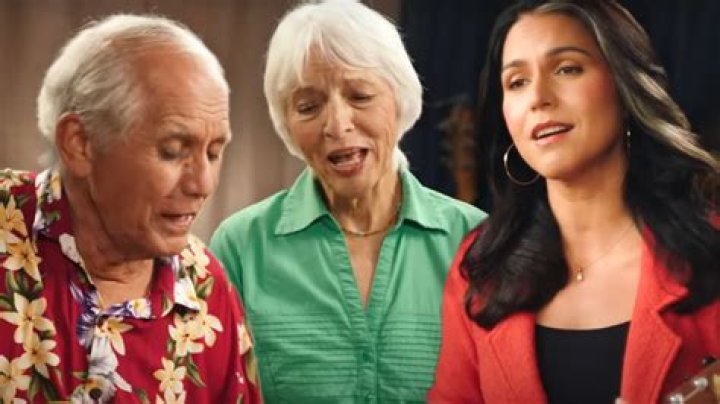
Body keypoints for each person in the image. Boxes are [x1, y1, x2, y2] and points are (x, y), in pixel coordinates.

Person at [428, 0, 719, 403]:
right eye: (516, 82)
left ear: (624, 85)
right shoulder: (481, 268)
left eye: (567, 69)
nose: (538, 98)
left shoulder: (709, 249)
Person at [208, 0, 486, 401]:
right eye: (308, 107)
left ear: (399, 99)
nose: (337, 125)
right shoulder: (240, 246)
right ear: (286, 123)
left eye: (360, 96)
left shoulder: (476, 240)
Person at [0, 14, 261, 403]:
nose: (203, 184)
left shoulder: (208, 289)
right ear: (79, 144)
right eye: (173, 151)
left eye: (213, 152)